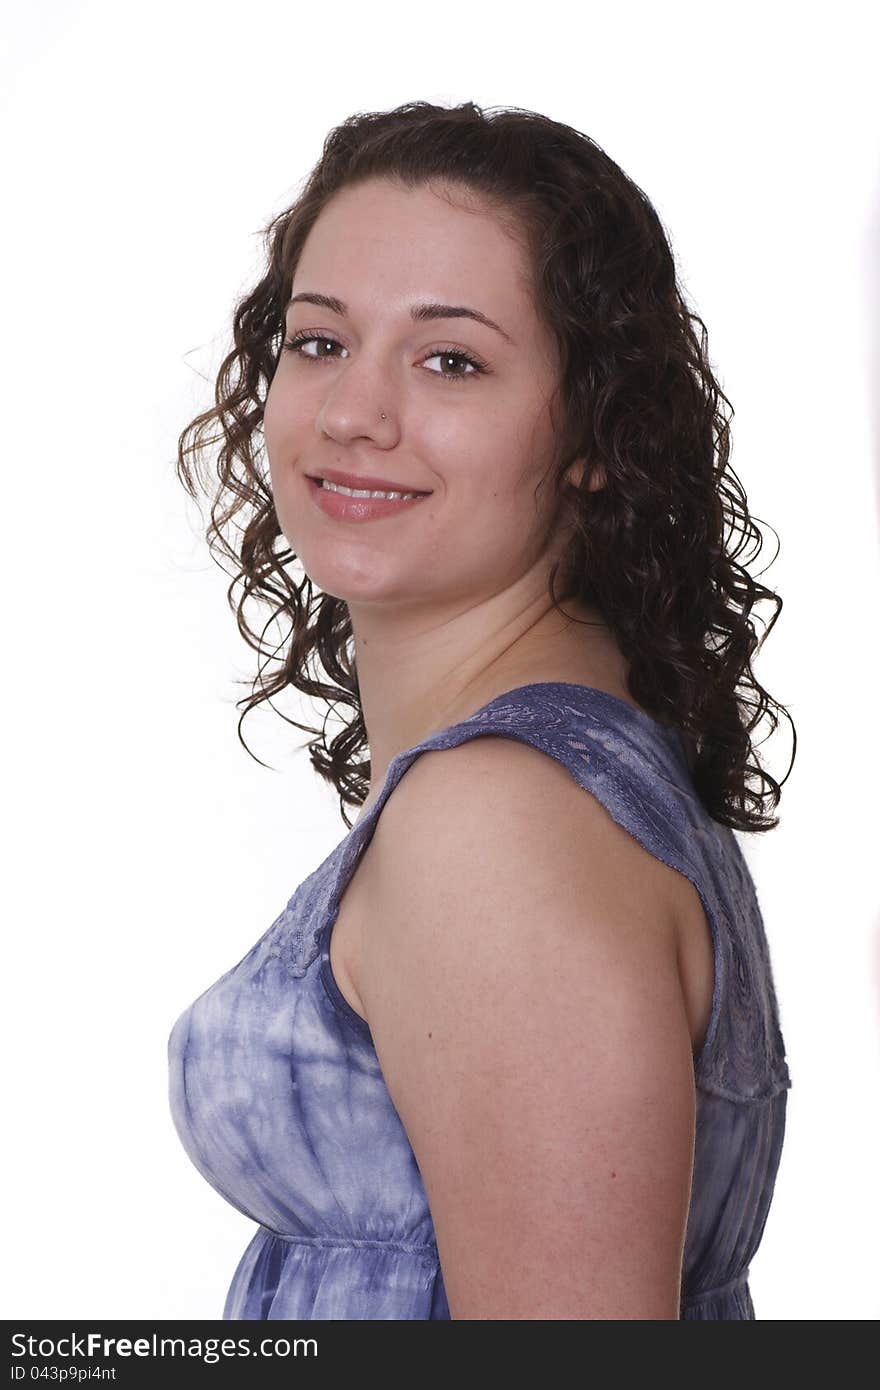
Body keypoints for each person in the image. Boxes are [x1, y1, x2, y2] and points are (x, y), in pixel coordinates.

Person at [168, 100, 796, 1320]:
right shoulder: (559, 769)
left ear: (592, 434)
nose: (354, 412)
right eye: (318, 342)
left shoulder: (497, 820)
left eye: (450, 359)